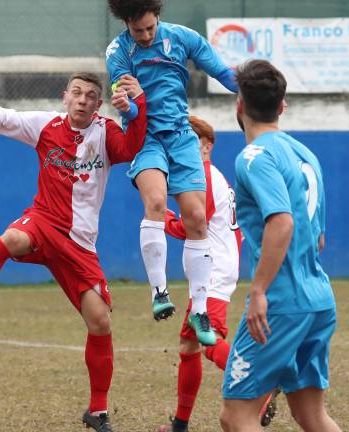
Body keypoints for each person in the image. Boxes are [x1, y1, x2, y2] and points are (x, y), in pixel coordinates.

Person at [0, 72, 147, 432]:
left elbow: (131, 148)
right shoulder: (46, 125)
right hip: (43, 221)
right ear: (65, 97)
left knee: (100, 322)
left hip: (80, 243)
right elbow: (5, 114)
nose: (82, 100)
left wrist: (138, 107)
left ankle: (97, 411)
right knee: (12, 238)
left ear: (98, 104)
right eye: (77, 93)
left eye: (90, 95)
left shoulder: (106, 132)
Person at [105, 0, 238, 346]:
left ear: (158, 16)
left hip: (181, 136)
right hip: (145, 137)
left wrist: (254, 92)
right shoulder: (118, 52)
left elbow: (223, 73)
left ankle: (200, 310)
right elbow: (130, 109)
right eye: (138, 30)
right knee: (156, 202)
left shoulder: (183, 38)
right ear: (126, 23)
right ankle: (159, 291)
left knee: (197, 218)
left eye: (150, 28)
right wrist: (128, 105)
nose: (146, 35)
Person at [220, 59, 340, 432]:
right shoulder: (306, 155)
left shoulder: (254, 157)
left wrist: (259, 291)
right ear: (282, 106)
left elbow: (282, 222)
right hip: (318, 299)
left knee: (236, 416)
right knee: (311, 415)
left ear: (239, 104)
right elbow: (318, 238)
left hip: (281, 304)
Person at [156, 115, 242, 432]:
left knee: (209, 341)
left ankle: (260, 386)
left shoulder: (203, 176)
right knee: (188, 346)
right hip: (215, 268)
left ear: (207, 146)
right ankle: (180, 424)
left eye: (192, 141)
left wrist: (161, 219)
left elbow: (193, 226)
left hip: (213, 272)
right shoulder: (210, 176)